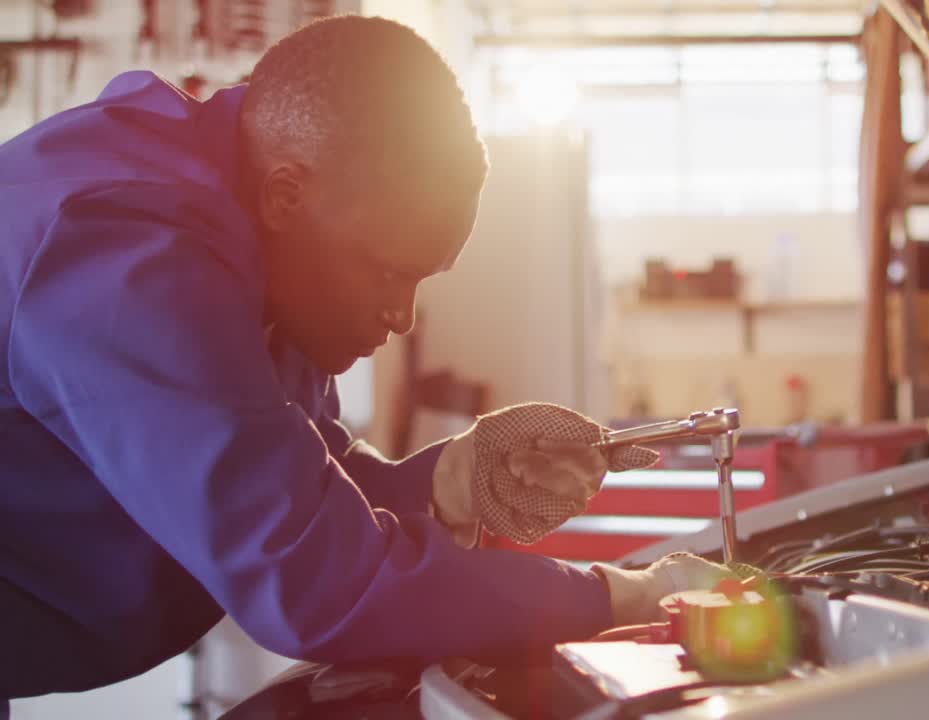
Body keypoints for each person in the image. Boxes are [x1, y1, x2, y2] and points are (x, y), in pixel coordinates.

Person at [0, 14, 725, 714]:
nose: (401, 316)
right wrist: (618, 596)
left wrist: (446, 484)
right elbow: (313, 577)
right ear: (288, 195)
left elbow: (302, 482)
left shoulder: (251, 242)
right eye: (388, 272)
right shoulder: (126, 256)